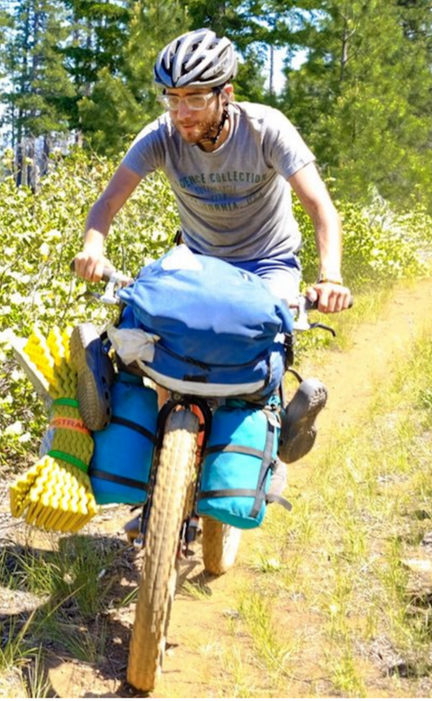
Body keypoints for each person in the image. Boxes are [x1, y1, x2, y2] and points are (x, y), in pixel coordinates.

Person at [70, 28, 351, 501]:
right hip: (197, 259)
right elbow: (106, 206)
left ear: (226, 95)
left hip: (267, 261)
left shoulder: (265, 129)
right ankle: (150, 457)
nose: (181, 113)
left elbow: (321, 208)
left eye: (195, 99)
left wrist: (331, 278)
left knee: (270, 340)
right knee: (146, 322)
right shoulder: (161, 136)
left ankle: (278, 429)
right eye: (172, 98)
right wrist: (93, 249)